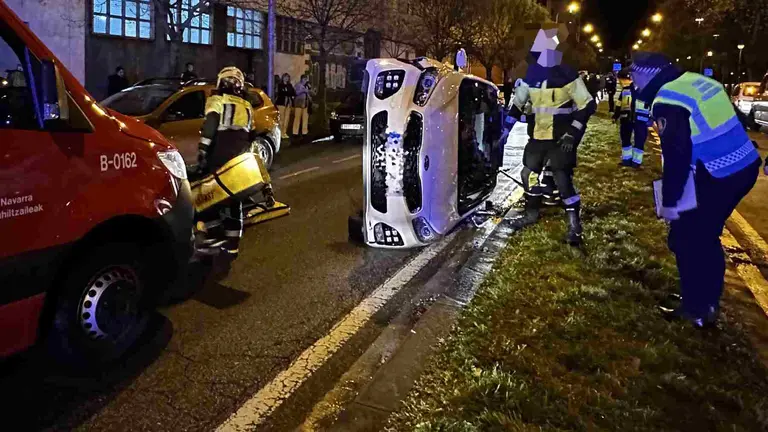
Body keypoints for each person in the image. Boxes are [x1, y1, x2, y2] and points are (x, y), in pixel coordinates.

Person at [631, 51, 761, 328]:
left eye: (633, 73)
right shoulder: (697, 81)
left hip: (717, 173)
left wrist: (670, 201)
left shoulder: (667, 100)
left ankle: (697, 308)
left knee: (688, 238)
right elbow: (740, 120)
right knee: (702, 235)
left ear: (647, 73)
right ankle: (704, 301)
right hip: (742, 166)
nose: (631, 80)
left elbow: (676, 155)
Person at [504, 25, 597, 245]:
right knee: (528, 174)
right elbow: (517, 105)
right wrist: (505, 130)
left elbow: (586, 105)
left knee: (562, 179)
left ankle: (574, 226)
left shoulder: (567, 75)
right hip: (538, 137)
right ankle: (531, 214)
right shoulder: (531, 76)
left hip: (560, 138)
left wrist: (572, 133)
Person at [196, 66, 275, 259]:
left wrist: (203, 150)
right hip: (240, 159)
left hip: (219, 156)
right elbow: (251, 135)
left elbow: (211, 124)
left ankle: (210, 236)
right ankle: (232, 246)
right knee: (234, 200)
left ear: (221, 82)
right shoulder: (247, 106)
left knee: (208, 196)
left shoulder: (217, 100)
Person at [612, 71, 648, 167]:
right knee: (625, 139)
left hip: (640, 120)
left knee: (639, 141)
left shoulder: (646, 91)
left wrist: (651, 118)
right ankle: (626, 160)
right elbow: (619, 104)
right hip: (626, 118)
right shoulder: (625, 90)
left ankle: (636, 162)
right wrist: (615, 116)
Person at [276, 73, 295, 139]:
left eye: (287, 77)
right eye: (285, 77)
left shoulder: (290, 85)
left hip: (288, 104)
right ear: (283, 78)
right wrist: (287, 93)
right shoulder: (280, 85)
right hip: (281, 103)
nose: (286, 78)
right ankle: (280, 133)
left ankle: (284, 132)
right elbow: (281, 93)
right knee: (281, 118)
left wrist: (287, 93)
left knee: (287, 119)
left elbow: (293, 93)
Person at [293, 74, 311, 139]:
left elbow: (309, 93)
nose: (305, 80)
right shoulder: (298, 85)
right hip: (299, 104)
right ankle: (295, 132)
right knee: (297, 118)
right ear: (301, 79)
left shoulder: (306, 86)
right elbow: (296, 93)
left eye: (306, 79)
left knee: (305, 119)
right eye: (304, 79)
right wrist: (303, 90)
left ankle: (304, 132)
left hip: (305, 104)